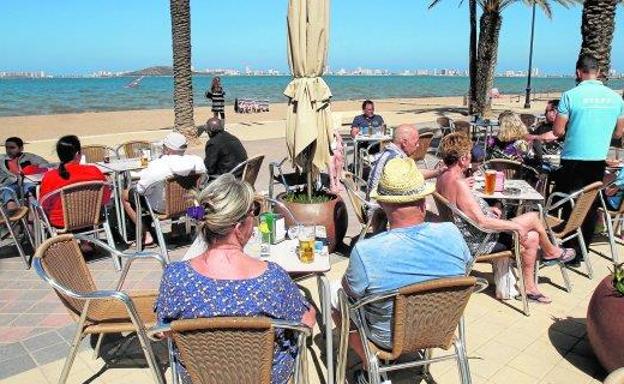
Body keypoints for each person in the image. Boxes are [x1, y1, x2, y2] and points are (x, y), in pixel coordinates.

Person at [156, 174, 315, 384]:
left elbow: (163, 331)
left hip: (200, 378)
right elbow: (306, 322)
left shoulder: (175, 276)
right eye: (253, 212)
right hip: (264, 378)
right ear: (239, 227)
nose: (256, 217)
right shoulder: (272, 278)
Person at [337, 157, 472, 372]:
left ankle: (369, 365)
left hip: (388, 338)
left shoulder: (367, 250)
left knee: (338, 304)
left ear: (381, 204)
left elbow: (350, 291)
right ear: (423, 201)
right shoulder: (452, 233)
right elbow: (464, 273)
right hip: (441, 327)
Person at [437, 133, 575, 303]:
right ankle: (550, 254)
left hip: (463, 235)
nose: (471, 157)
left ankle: (532, 284)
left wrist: (491, 208)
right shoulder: (458, 183)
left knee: (531, 236)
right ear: (463, 158)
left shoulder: (444, 177)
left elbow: (466, 209)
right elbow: (482, 222)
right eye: (470, 154)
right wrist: (514, 227)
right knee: (532, 218)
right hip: (479, 240)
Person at [552, 54, 624, 266]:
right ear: (599, 71)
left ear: (578, 72)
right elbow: (619, 133)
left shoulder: (570, 95)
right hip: (597, 158)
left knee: (568, 204)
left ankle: (569, 252)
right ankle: (582, 252)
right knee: (589, 205)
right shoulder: (616, 98)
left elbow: (557, 130)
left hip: (573, 158)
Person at [122, 132, 206, 246]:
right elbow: (203, 180)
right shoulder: (197, 162)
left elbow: (141, 190)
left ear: (166, 149)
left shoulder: (158, 166)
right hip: (188, 204)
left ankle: (146, 235)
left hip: (162, 208)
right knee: (179, 191)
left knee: (125, 195)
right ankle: (176, 231)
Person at [39, 135, 108, 229]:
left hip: (60, 222)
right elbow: (105, 198)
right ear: (77, 154)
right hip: (92, 218)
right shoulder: (93, 170)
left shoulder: (50, 176)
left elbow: (44, 205)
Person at [366, 124, 445, 197]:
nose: (418, 146)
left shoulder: (390, 152)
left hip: (376, 201)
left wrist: (437, 171)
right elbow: (413, 179)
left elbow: (413, 173)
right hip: (380, 207)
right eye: (416, 143)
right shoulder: (395, 160)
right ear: (404, 143)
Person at [0, 137, 50, 209]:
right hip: (11, 184)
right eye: (7, 148)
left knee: (30, 190)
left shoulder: (29, 157)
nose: (9, 150)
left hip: (27, 182)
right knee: (7, 192)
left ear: (21, 148)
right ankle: (14, 215)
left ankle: (34, 212)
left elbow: (46, 165)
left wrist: (32, 170)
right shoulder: (1, 160)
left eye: (12, 148)